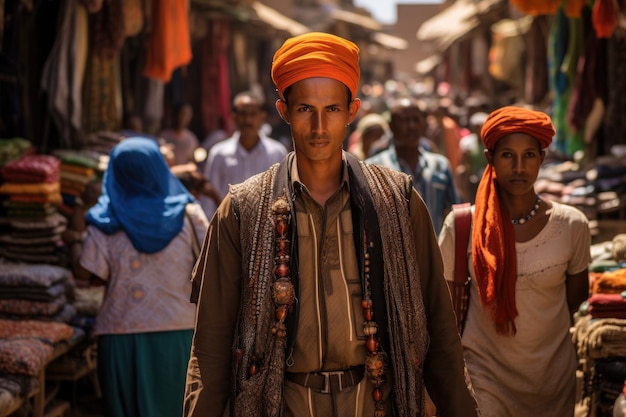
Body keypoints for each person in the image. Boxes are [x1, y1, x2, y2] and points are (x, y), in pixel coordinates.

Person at [184, 32, 479, 417]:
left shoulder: (397, 200)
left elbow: (439, 330)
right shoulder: (244, 210)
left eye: (333, 110)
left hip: (374, 402)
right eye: (306, 109)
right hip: (282, 403)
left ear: (352, 110)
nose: (320, 126)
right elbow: (210, 345)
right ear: (283, 110)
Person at [438, 106, 591, 417]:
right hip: (484, 376)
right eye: (508, 155)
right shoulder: (462, 225)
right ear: (490, 158)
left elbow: (574, 299)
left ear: (542, 159)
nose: (519, 167)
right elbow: (442, 307)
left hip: (552, 381)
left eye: (529, 156)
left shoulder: (572, 225)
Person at [64, 137, 209, 417]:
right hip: (179, 333)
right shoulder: (189, 215)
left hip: (121, 337)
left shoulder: (105, 221)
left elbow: (85, 272)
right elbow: (210, 263)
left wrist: (73, 239)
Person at [366, 97, 460, 235]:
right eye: (404, 120)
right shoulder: (374, 168)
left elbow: (454, 215)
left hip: (435, 254)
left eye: (416, 120)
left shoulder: (440, 165)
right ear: (391, 126)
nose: (412, 126)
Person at [199, 90, 288, 218]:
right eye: (243, 114)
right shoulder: (219, 154)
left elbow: (283, 197)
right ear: (233, 117)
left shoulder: (277, 152)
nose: (248, 120)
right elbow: (208, 202)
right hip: (228, 233)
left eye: (253, 114)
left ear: (262, 117)